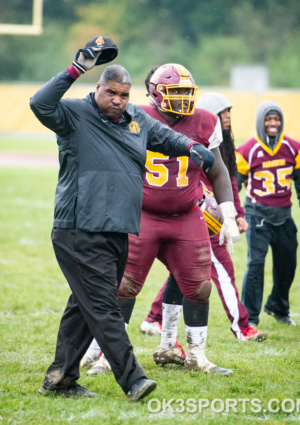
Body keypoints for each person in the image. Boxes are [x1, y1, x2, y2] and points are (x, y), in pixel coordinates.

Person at [29, 39, 215, 401]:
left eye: (124, 94)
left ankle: (60, 378)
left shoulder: (136, 120)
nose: (118, 100)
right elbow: (39, 103)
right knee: (103, 307)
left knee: (83, 307)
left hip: (118, 230)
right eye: (111, 92)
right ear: (97, 89)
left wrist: (193, 148)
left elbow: (167, 137)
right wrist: (77, 67)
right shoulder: (73, 115)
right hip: (80, 229)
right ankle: (133, 379)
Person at [84, 63, 240, 376]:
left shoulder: (205, 121)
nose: (182, 98)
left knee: (199, 287)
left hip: (186, 216)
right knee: (124, 287)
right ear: (156, 94)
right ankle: (107, 356)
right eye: (175, 91)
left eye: (186, 91)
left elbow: (218, 170)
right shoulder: (136, 116)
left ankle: (196, 353)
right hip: (141, 215)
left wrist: (229, 212)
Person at [140, 92, 267, 342]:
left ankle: (154, 318)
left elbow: (226, 180)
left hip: (209, 214)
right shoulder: (186, 138)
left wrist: (235, 214)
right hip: (197, 217)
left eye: (229, 111)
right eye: (223, 112)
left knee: (182, 273)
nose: (227, 117)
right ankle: (242, 327)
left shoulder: (219, 141)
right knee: (220, 271)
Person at [236, 100, 300, 327]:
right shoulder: (246, 151)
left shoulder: (294, 148)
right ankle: (249, 318)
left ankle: (278, 306)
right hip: (258, 214)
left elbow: (299, 182)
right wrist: (235, 212)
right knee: (256, 265)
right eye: (268, 119)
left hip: (284, 215)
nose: (273, 123)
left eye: (277, 119)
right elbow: (236, 184)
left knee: (288, 264)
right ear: (260, 122)